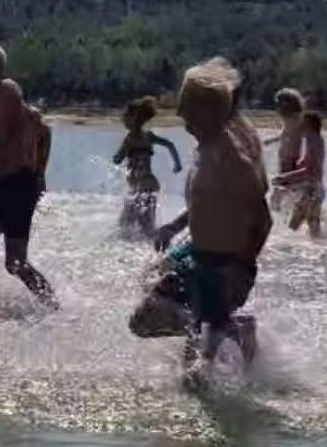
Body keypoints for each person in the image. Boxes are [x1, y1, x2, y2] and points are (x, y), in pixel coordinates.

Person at [149, 57, 272, 380]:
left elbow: (263, 220)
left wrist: (239, 265)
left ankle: (228, 331)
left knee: (198, 371)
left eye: (184, 106)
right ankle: (234, 327)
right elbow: (209, 203)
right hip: (196, 256)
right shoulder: (204, 148)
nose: (178, 114)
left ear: (206, 112)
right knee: (144, 320)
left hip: (225, 266)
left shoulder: (233, 160)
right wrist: (174, 226)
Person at [0, 42, 57, 306]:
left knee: (15, 262)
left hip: (17, 186)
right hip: (4, 185)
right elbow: (43, 130)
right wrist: (40, 172)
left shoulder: (5, 91)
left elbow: (3, 139)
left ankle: (52, 304)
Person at [113, 96, 183, 239]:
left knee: (125, 226)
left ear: (132, 118)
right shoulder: (148, 136)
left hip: (139, 187)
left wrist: (119, 156)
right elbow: (170, 145)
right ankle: (159, 245)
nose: (123, 120)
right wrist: (177, 164)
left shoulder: (129, 138)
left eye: (125, 117)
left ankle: (158, 248)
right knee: (146, 227)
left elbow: (117, 160)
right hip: (150, 185)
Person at [272, 112, 325, 238]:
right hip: (315, 188)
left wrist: (284, 177)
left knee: (295, 227)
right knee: (310, 228)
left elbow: (309, 170)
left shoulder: (312, 139)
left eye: (302, 123)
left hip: (311, 190)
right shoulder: (315, 139)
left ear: (308, 125)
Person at [264, 88, 306, 212]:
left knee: (279, 194)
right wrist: (271, 141)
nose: (277, 108)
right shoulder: (291, 120)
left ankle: (279, 220)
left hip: (291, 159)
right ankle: (285, 217)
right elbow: (285, 135)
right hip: (286, 159)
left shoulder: (296, 119)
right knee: (286, 193)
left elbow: (293, 136)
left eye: (279, 104)